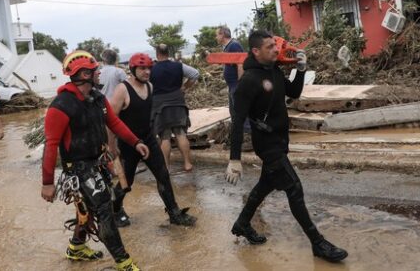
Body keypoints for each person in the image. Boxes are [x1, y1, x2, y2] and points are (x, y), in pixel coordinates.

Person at [225, 30, 348, 263]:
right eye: (270, 47)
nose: (276, 49)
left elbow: (294, 92)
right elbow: (237, 122)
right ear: (256, 51)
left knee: (265, 185)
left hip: (280, 140)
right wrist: (234, 159)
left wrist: (300, 71)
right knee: (294, 189)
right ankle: (318, 243)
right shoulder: (248, 82)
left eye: (275, 45)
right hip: (267, 144)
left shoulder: (274, 69)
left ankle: (242, 224)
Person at [41, 50, 148, 271]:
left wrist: (135, 141)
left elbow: (114, 123)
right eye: (94, 70)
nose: (99, 72)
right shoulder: (60, 106)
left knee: (88, 212)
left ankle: (76, 248)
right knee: (104, 211)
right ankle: (123, 262)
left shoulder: (97, 98)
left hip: (97, 163)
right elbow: (50, 146)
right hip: (78, 169)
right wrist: (47, 182)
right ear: (83, 74)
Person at [109, 53, 197, 228]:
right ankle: (115, 210)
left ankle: (174, 213)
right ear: (133, 70)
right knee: (128, 181)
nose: (147, 71)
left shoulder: (150, 86)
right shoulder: (122, 89)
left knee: (163, 175)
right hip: (128, 143)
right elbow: (111, 120)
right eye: (142, 68)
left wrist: (156, 136)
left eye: (149, 68)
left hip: (148, 139)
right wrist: (112, 146)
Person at [150, 44, 199, 172]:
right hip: (178, 102)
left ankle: (166, 166)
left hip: (160, 105)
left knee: (164, 137)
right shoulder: (178, 66)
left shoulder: (151, 69)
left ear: (157, 54)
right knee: (181, 134)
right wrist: (184, 87)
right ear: (168, 52)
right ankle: (187, 164)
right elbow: (195, 74)